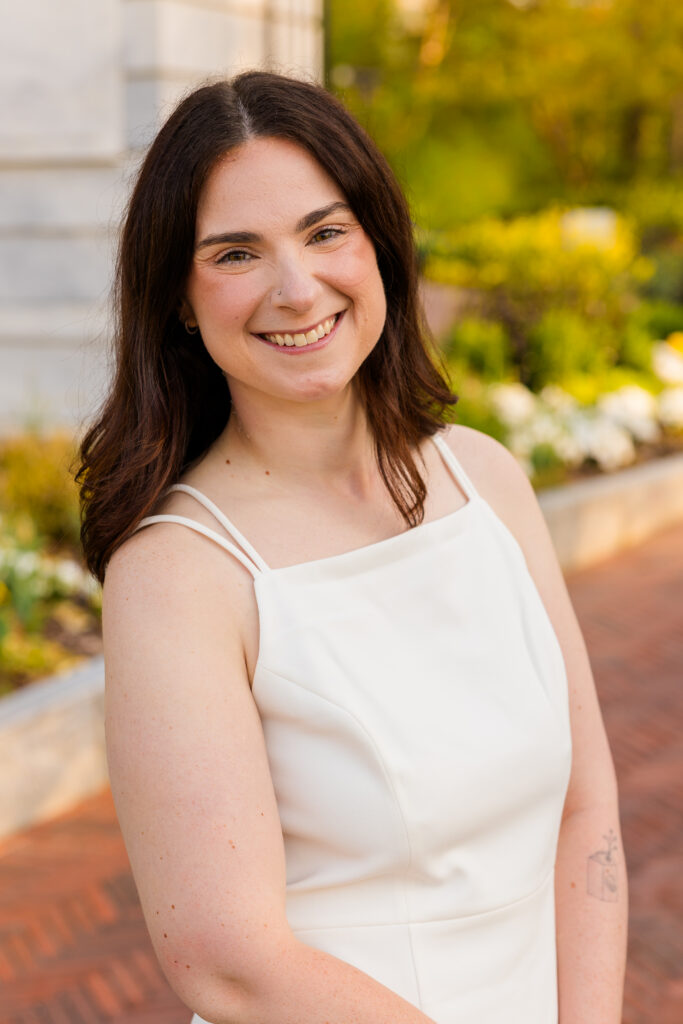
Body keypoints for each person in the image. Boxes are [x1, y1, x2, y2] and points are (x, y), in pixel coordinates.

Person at [77, 71, 627, 1023]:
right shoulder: (178, 575)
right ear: (176, 296)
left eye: (325, 231)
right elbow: (230, 964)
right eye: (237, 253)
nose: (298, 289)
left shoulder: (484, 479)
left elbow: (588, 814)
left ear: (378, 243)